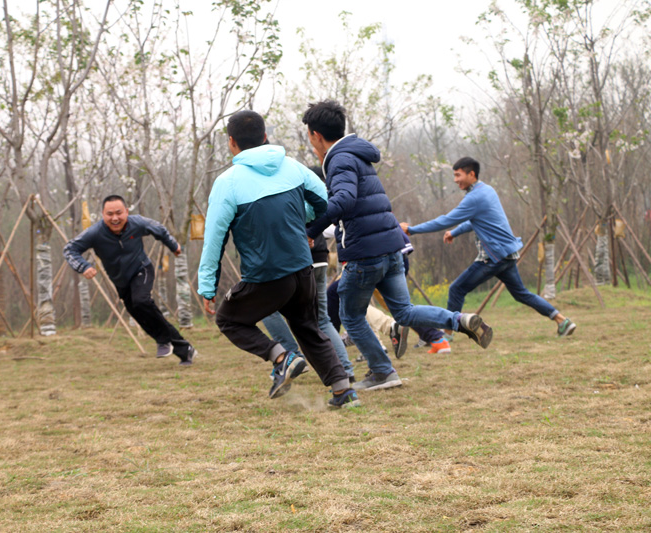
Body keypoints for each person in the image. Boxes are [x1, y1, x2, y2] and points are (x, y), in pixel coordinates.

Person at [302, 100, 492, 393]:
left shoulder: (339, 159)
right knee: (404, 312)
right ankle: (459, 320)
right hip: (391, 247)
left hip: (364, 253)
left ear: (316, 135)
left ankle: (382, 371)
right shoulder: (357, 155)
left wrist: (311, 230)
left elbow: (344, 200)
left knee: (351, 315)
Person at [197, 110, 359, 409]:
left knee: (228, 319)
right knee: (308, 327)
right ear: (265, 137)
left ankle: (282, 357)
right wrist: (300, 218)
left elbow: (215, 238)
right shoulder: (293, 167)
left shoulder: (227, 183)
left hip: (266, 275)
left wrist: (208, 285)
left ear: (231, 142)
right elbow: (324, 203)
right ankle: (343, 390)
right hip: (303, 268)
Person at [401, 157, 576, 337]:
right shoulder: (487, 190)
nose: (455, 180)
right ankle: (562, 320)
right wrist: (455, 232)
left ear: (471, 174)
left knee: (456, 289)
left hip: (494, 257)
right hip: (507, 254)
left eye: (458, 175)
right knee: (521, 294)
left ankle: (446, 334)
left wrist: (412, 230)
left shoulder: (474, 197)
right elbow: (474, 221)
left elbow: (446, 220)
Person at [63, 195, 196, 365]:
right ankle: (185, 350)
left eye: (119, 213)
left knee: (141, 301)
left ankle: (163, 340)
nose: (115, 218)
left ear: (126, 211)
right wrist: (83, 266)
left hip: (141, 269)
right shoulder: (95, 233)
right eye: (110, 214)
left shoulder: (137, 223)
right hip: (120, 281)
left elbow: (159, 229)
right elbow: (70, 249)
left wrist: (173, 245)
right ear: (103, 215)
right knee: (140, 314)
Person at [261, 167, 356, 383]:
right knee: (322, 319)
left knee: (267, 308)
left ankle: (291, 356)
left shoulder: (286, 191)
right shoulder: (315, 194)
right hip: (320, 256)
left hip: (299, 259)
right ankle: (345, 369)